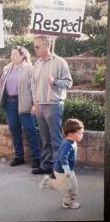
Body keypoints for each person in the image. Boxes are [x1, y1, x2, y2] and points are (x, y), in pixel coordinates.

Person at [0, 46, 41, 168]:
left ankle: (36, 158)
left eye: (15, 54)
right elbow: (2, 85)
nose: (12, 57)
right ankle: (19, 156)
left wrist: (35, 104)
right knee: (14, 131)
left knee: (30, 130)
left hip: (24, 102)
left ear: (23, 55)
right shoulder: (7, 68)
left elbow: (35, 87)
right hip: (10, 103)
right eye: (11, 54)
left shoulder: (29, 69)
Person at [31, 35, 73, 175]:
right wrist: (35, 102)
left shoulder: (60, 62)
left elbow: (68, 83)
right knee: (44, 140)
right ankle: (46, 166)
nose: (34, 49)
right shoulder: (37, 64)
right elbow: (33, 85)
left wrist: (55, 82)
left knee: (56, 140)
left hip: (54, 105)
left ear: (46, 45)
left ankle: (59, 169)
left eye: (37, 46)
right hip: (40, 106)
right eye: (34, 46)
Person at [39, 118, 84, 209]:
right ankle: (47, 182)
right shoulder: (68, 144)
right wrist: (67, 170)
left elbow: (60, 154)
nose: (81, 135)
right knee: (64, 187)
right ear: (71, 134)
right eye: (79, 133)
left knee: (74, 187)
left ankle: (68, 202)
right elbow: (63, 157)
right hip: (62, 171)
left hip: (69, 170)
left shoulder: (72, 141)